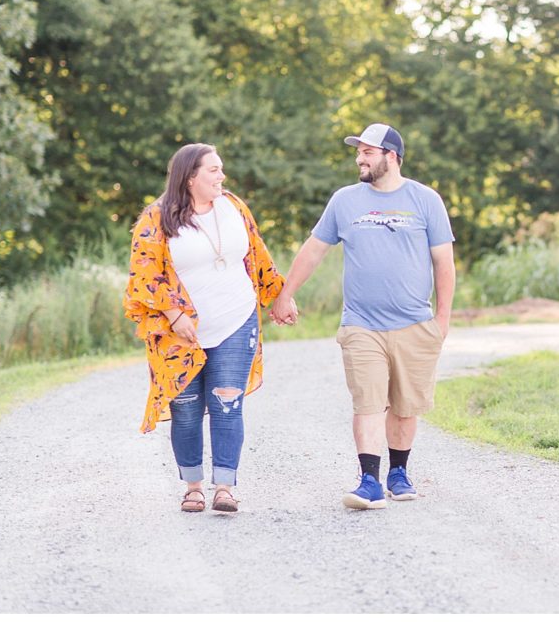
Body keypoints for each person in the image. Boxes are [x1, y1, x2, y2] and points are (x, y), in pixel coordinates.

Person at [271, 123, 456, 510]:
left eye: (368, 152)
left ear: (392, 156)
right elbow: (314, 250)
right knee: (368, 402)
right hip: (361, 324)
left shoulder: (425, 200)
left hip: (415, 323)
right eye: (358, 152)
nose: (359, 158)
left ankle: (399, 471)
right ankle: (369, 479)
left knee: (406, 407)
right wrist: (286, 294)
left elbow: (444, 263)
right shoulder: (344, 201)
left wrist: (441, 321)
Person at [124, 143, 292, 512]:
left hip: (236, 318)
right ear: (190, 177)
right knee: (185, 408)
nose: (222, 177)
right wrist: (173, 314)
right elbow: (144, 275)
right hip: (179, 332)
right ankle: (193, 487)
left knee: (227, 401)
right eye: (214, 170)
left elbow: (257, 254)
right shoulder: (157, 218)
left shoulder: (233, 207)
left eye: (221, 170)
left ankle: (225, 487)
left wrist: (280, 295)